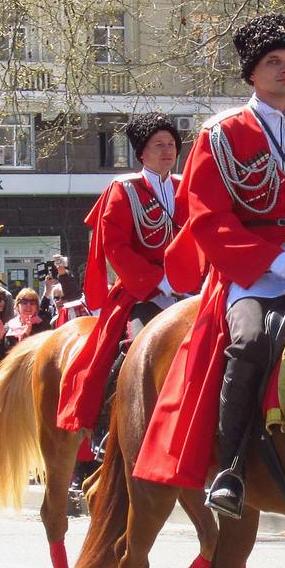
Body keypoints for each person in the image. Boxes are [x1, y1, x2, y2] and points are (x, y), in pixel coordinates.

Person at [135, 13, 285, 517]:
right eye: (273, 62)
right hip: (250, 273)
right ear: (251, 74)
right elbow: (207, 219)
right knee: (251, 340)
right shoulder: (221, 133)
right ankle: (231, 467)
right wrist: (273, 260)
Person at [56, 112, 185, 448]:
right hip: (140, 291)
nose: (167, 150)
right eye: (158, 144)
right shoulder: (124, 189)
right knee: (134, 349)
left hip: (189, 288)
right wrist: (159, 281)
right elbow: (115, 246)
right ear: (142, 152)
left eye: (171, 144)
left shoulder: (185, 187)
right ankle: (109, 423)